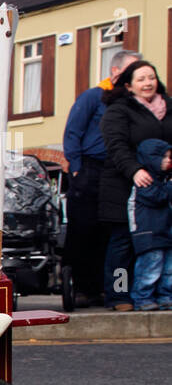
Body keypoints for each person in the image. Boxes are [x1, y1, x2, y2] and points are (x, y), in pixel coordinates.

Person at [63, 50, 141, 307]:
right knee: (84, 230)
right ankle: (86, 288)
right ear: (116, 72)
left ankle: (115, 290)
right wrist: (76, 167)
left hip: (119, 171)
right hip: (90, 169)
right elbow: (73, 131)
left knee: (116, 234)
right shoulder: (93, 96)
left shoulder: (134, 103)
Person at [99, 59, 172, 310]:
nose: (147, 83)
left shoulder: (168, 107)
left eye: (151, 77)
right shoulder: (119, 110)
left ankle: (161, 294)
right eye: (141, 79)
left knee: (161, 242)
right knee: (123, 244)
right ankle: (119, 294)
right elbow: (115, 145)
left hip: (161, 189)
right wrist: (135, 170)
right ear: (129, 86)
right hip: (124, 185)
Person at [130, 139, 172, 310]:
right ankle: (142, 297)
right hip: (149, 232)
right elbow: (158, 197)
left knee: (169, 269)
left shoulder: (165, 180)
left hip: (166, 231)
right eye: (165, 157)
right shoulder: (145, 180)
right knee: (150, 268)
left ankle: (165, 296)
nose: (169, 161)